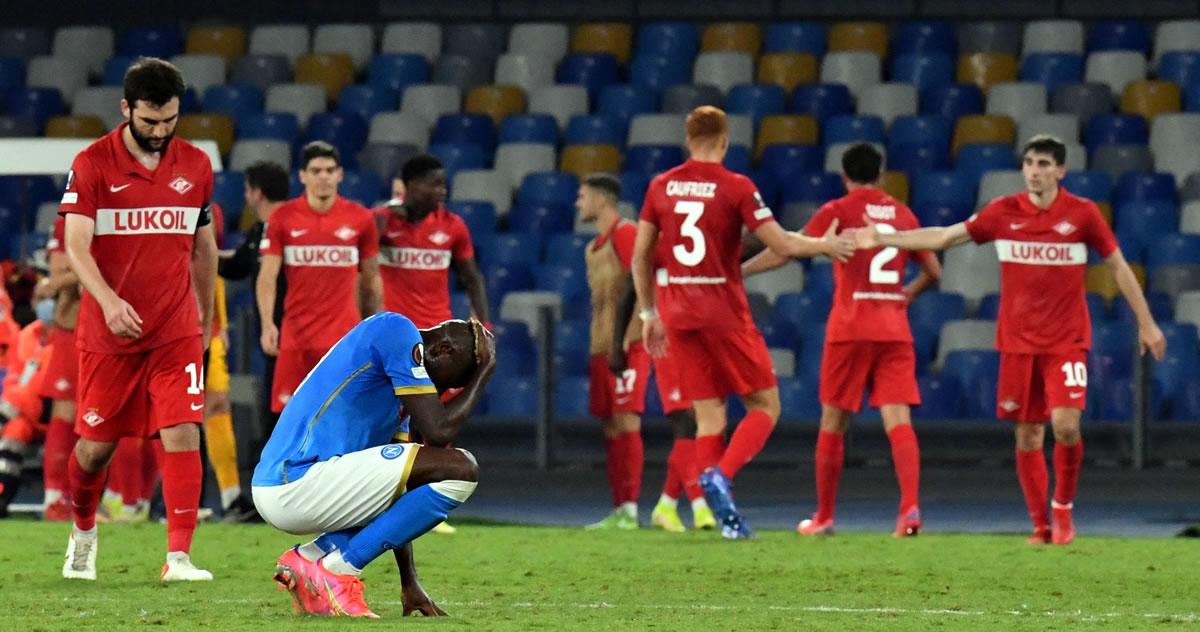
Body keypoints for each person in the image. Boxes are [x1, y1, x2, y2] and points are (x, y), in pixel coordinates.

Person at [855, 135, 1167, 545]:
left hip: (1066, 341)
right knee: (1027, 435)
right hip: (1018, 343)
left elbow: (1120, 267)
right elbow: (946, 237)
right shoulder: (1003, 212)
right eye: (1029, 164)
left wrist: (1146, 322)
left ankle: (1063, 509)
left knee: (1066, 426)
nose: (1034, 171)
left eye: (1042, 164)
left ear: (1060, 171)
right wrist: (885, 238)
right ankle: (1041, 525)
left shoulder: (1083, 215)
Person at [632, 106, 855, 539]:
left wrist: (648, 313)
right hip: (722, 311)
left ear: (687, 138)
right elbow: (783, 244)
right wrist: (825, 243)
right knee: (765, 405)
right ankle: (721, 477)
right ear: (725, 141)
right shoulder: (735, 186)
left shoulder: (660, 186)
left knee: (710, 417)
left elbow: (641, 255)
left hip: (677, 312)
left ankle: (724, 516)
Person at [59, 57, 218, 580]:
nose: (159, 131)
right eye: (149, 121)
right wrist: (107, 300)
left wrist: (206, 319)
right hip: (109, 333)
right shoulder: (92, 163)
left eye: (169, 120)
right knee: (95, 448)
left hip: (174, 329)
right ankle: (83, 530)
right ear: (126, 109)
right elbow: (75, 244)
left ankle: (178, 557)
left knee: (183, 432)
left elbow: (204, 247)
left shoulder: (195, 165)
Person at [743, 143, 940, 537]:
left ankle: (824, 517)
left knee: (833, 422)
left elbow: (787, 251)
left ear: (845, 177)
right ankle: (910, 511)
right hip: (893, 329)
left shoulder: (838, 210)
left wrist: (742, 271)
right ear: (882, 176)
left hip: (850, 329)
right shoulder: (903, 214)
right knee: (898, 422)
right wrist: (909, 293)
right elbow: (934, 270)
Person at [254, 314, 494, 618]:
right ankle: (336, 572)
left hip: (299, 486)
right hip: (294, 479)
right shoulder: (397, 330)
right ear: (442, 350)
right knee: (462, 468)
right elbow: (439, 431)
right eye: (445, 384)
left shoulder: (399, 395)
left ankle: (308, 558)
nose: (437, 392)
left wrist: (410, 581)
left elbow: (400, 490)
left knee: (422, 474)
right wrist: (484, 371)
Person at [576, 173, 714, 532]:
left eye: (583, 196)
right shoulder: (593, 247)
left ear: (602, 200)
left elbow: (640, 280)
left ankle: (633, 506)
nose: (578, 203)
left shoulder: (626, 234)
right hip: (601, 343)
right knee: (610, 426)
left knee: (627, 421)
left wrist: (629, 337)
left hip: (630, 342)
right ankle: (620, 505)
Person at [256, 142, 382, 415]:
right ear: (302, 176)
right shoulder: (283, 218)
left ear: (340, 174)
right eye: (316, 170)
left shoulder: (361, 219)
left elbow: (372, 280)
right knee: (290, 420)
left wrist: (374, 328)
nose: (323, 176)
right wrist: (267, 324)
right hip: (296, 340)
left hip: (344, 339)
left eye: (329, 170)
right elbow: (267, 277)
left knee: (346, 417)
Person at [218, 160, 289, 478]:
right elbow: (238, 264)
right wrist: (198, 252)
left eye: (247, 189)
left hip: (296, 334)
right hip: (274, 339)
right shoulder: (260, 231)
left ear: (255, 193)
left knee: (286, 412)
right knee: (274, 409)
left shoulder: (290, 226)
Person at [376, 155, 489, 328]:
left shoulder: (453, 225)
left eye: (443, 184)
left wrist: (484, 324)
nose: (442, 191)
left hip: (436, 331)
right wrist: (382, 217)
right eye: (435, 184)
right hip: (392, 329)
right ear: (412, 185)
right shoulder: (384, 220)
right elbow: (359, 261)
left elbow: (472, 278)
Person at [32, 216, 82, 520]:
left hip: (110, 330)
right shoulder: (69, 218)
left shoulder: (120, 209)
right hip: (73, 329)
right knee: (66, 412)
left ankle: (120, 499)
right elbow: (58, 275)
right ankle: (54, 497)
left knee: (106, 417)